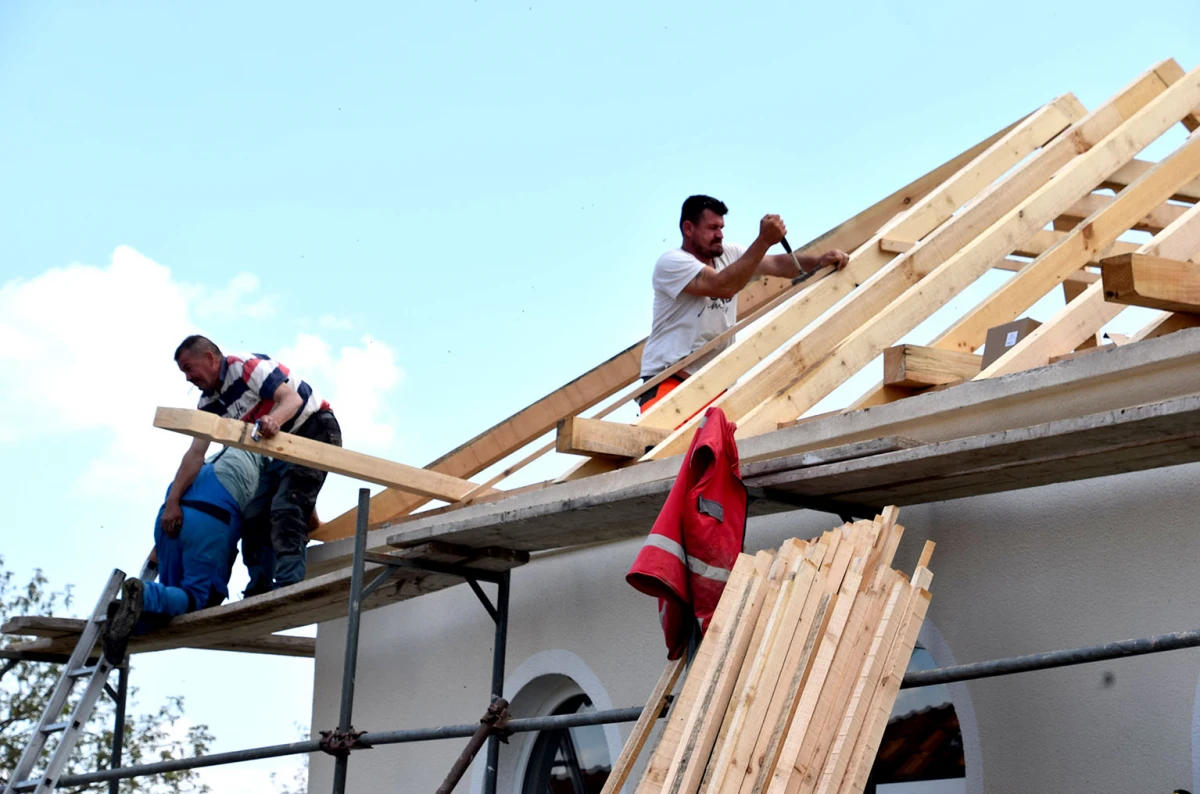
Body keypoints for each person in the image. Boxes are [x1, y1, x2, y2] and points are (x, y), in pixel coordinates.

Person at [638, 195, 849, 414]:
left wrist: (817, 262)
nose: (719, 234)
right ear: (688, 228)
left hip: (713, 388)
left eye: (721, 227)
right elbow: (723, 286)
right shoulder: (672, 263)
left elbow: (776, 263)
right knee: (668, 447)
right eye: (712, 228)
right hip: (670, 382)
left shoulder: (730, 255)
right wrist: (763, 241)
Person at [168, 335, 342, 595]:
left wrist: (273, 420)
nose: (188, 378)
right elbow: (195, 455)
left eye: (188, 368)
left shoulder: (247, 367)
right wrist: (173, 501)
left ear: (209, 358)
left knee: (286, 506)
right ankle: (260, 586)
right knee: (253, 517)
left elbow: (291, 400)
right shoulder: (208, 404)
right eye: (183, 372)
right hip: (279, 452)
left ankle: (288, 584)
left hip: (314, 430)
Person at [102, 447, 267, 664]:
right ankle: (144, 594)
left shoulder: (214, 454)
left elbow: (192, 461)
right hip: (210, 519)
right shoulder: (271, 455)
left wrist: (159, 545)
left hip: (170, 516)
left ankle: (127, 617)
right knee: (197, 600)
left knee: (172, 609)